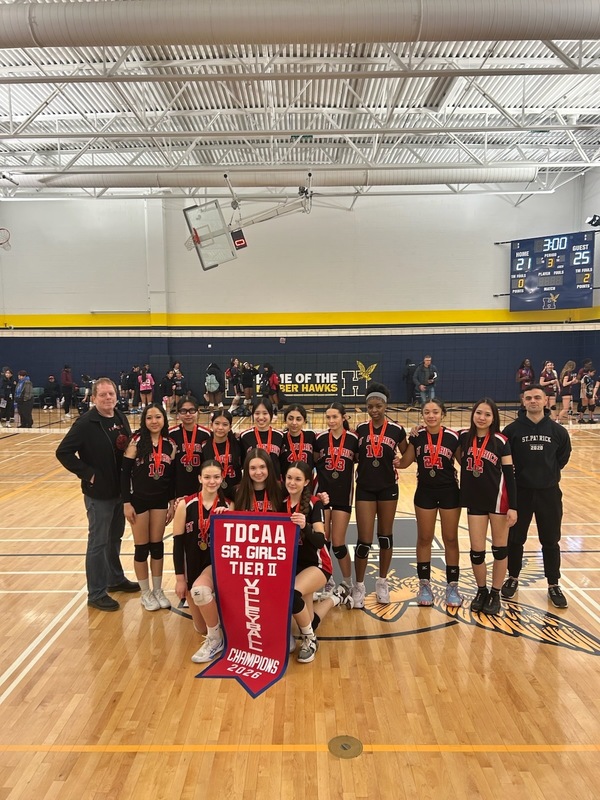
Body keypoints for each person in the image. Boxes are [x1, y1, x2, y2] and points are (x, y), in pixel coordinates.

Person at [56, 378, 139, 611]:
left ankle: (114, 578)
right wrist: (88, 474)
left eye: (111, 394)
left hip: (119, 493)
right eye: (102, 395)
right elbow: (63, 452)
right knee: (98, 543)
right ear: (93, 398)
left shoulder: (120, 417)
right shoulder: (85, 423)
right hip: (98, 495)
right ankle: (96, 593)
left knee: (114, 539)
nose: (108, 398)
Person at [502, 384, 572, 608]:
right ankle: (512, 578)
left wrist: (547, 475)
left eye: (537, 398)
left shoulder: (558, 432)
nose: (533, 401)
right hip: (520, 493)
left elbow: (562, 458)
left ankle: (553, 584)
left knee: (550, 540)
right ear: (523, 401)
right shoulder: (511, 431)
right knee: (515, 539)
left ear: (545, 401)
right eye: (529, 398)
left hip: (549, 494)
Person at [397, 398, 462, 607]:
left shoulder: (453, 437)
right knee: (424, 538)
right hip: (425, 491)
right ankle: (424, 584)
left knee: (450, 539)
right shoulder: (418, 437)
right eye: (427, 412)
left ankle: (452, 585)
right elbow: (404, 462)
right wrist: (405, 440)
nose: (431, 416)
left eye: (435, 412)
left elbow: (466, 463)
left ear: (443, 414)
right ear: (422, 415)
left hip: (449, 491)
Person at [457, 398, 518, 615]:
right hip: (474, 500)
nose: (482, 418)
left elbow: (510, 477)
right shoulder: (463, 437)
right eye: (479, 413)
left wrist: (514, 506)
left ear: (494, 418)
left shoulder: (501, 441)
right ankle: (481, 590)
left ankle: (495, 592)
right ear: (473, 414)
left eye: (487, 414)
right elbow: (439, 436)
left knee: (500, 550)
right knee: (476, 552)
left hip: (498, 501)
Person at [352, 382, 407, 608]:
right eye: (370, 406)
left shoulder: (396, 430)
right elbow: (353, 454)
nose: (374, 410)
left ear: (386, 405)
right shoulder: (360, 429)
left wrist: (401, 462)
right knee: (364, 541)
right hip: (365, 487)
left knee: (385, 537)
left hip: (387, 488)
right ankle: (359, 585)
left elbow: (408, 452)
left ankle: (382, 583)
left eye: (379, 405)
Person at [172, 459, 230, 663]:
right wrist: (180, 579)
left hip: (216, 566)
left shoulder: (228, 505)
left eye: (216, 477)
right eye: (207, 477)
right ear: (199, 478)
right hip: (193, 565)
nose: (211, 481)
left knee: (200, 591)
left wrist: (229, 516)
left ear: (222, 479)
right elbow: (177, 545)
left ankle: (216, 640)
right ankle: (217, 627)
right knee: (200, 628)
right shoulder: (185, 504)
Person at [121, 404, 177, 612]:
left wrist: (171, 502)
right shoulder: (136, 442)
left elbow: (171, 478)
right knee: (141, 547)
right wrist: (126, 503)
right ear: (144, 421)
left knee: (157, 546)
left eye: (158, 417)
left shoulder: (170, 444)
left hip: (161, 501)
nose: (154, 421)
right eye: (149, 418)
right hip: (139, 500)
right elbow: (124, 475)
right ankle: (145, 592)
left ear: (164, 419)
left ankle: (158, 590)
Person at [285, 462, 339, 663]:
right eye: (289, 478)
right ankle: (335, 599)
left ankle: (310, 640)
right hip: (294, 566)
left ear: (307, 482)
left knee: (292, 595)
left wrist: (305, 526)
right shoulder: (280, 502)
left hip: (317, 565)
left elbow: (320, 539)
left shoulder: (315, 503)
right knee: (307, 621)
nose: (292, 482)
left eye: (298, 479)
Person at [314, 402, 359, 602]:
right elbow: (314, 460)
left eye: (335, 417)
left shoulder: (353, 439)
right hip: (323, 493)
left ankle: (348, 582)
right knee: (324, 541)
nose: (331, 421)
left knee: (339, 543)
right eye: (328, 417)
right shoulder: (320, 439)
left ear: (344, 417)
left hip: (343, 496)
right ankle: (326, 579)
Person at [168, 396, 211, 498]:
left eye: (192, 410)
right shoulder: (171, 434)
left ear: (198, 412)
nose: (188, 414)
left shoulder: (207, 434)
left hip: (200, 484)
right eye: (183, 411)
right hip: (178, 484)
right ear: (178, 414)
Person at [200, 409, 243, 501]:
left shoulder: (238, 443)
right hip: (213, 490)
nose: (220, 427)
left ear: (230, 427)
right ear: (211, 425)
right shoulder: (205, 446)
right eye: (217, 423)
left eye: (225, 424)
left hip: (235, 492)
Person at [239, 397, 284, 479]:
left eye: (265, 413)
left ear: (270, 414)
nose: (261, 417)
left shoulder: (280, 436)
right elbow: (243, 462)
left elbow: (282, 462)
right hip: (253, 482)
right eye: (257, 413)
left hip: (274, 483)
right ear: (252, 415)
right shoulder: (245, 436)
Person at [234, 448, 283, 513]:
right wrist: (223, 512)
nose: (258, 472)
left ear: (269, 467)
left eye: (262, 467)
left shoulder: (281, 489)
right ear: (247, 470)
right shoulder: (237, 492)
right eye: (253, 468)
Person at [279, 404, 317, 476]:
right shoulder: (281, 438)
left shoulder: (311, 436)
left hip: (307, 482)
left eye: (298, 419)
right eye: (290, 418)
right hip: (287, 482)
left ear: (304, 421)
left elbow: (316, 458)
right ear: (285, 420)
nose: (294, 423)